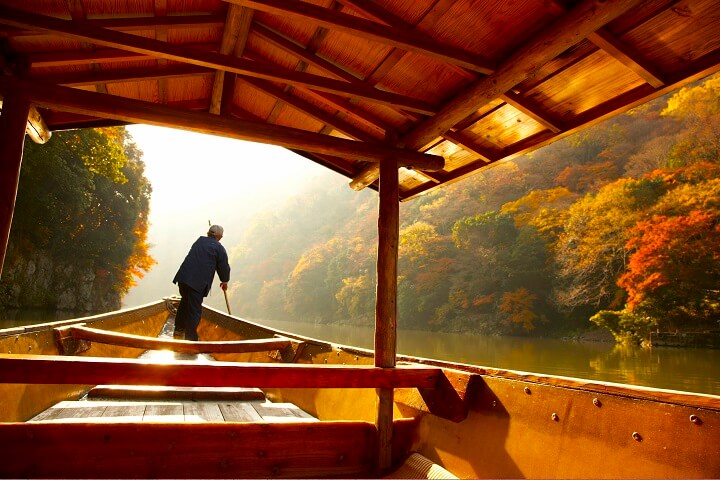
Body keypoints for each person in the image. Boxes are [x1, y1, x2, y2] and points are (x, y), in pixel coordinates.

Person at [172, 224, 231, 340]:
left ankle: (178, 330)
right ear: (219, 237)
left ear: (209, 233)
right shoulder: (219, 249)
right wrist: (225, 281)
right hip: (197, 283)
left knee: (185, 302)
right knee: (194, 310)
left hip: (183, 279)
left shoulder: (199, 241)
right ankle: (191, 339)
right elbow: (223, 267)